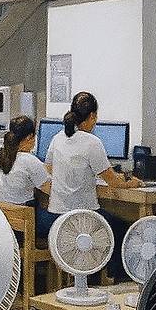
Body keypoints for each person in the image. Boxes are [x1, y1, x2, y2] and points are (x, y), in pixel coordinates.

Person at [44, 91, 141, 277]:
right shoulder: (92, 142)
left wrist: (70, 175)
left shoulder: (58, 138)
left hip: (58, 217)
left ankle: (94, 277)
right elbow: (113, 181)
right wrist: (132, 183)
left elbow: (48, 168)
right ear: (92, 116)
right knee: (123, 228)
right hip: (83, 218)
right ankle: (116, 280)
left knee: (109, 221)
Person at [0, 116, 55, 237]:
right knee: (59, 212)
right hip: (23, 227)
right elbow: (52, 190)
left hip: (2, 222)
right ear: (30, 137)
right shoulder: (29, 160)